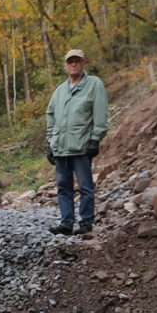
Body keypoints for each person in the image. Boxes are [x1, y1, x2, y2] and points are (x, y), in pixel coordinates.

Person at [45, 48, 109, 236]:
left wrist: (96, 139)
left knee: (85, 186)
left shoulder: (94, 84)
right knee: (63, 186)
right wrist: (50, 142)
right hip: (61, 148)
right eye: (70, 61)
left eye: (77, 61)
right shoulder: (59, 91)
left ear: (84, 64)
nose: (74, 64)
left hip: (82, 146)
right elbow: (50, 115)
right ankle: (66, 223)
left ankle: (86, 223)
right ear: (65, 66)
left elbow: (100, 113)